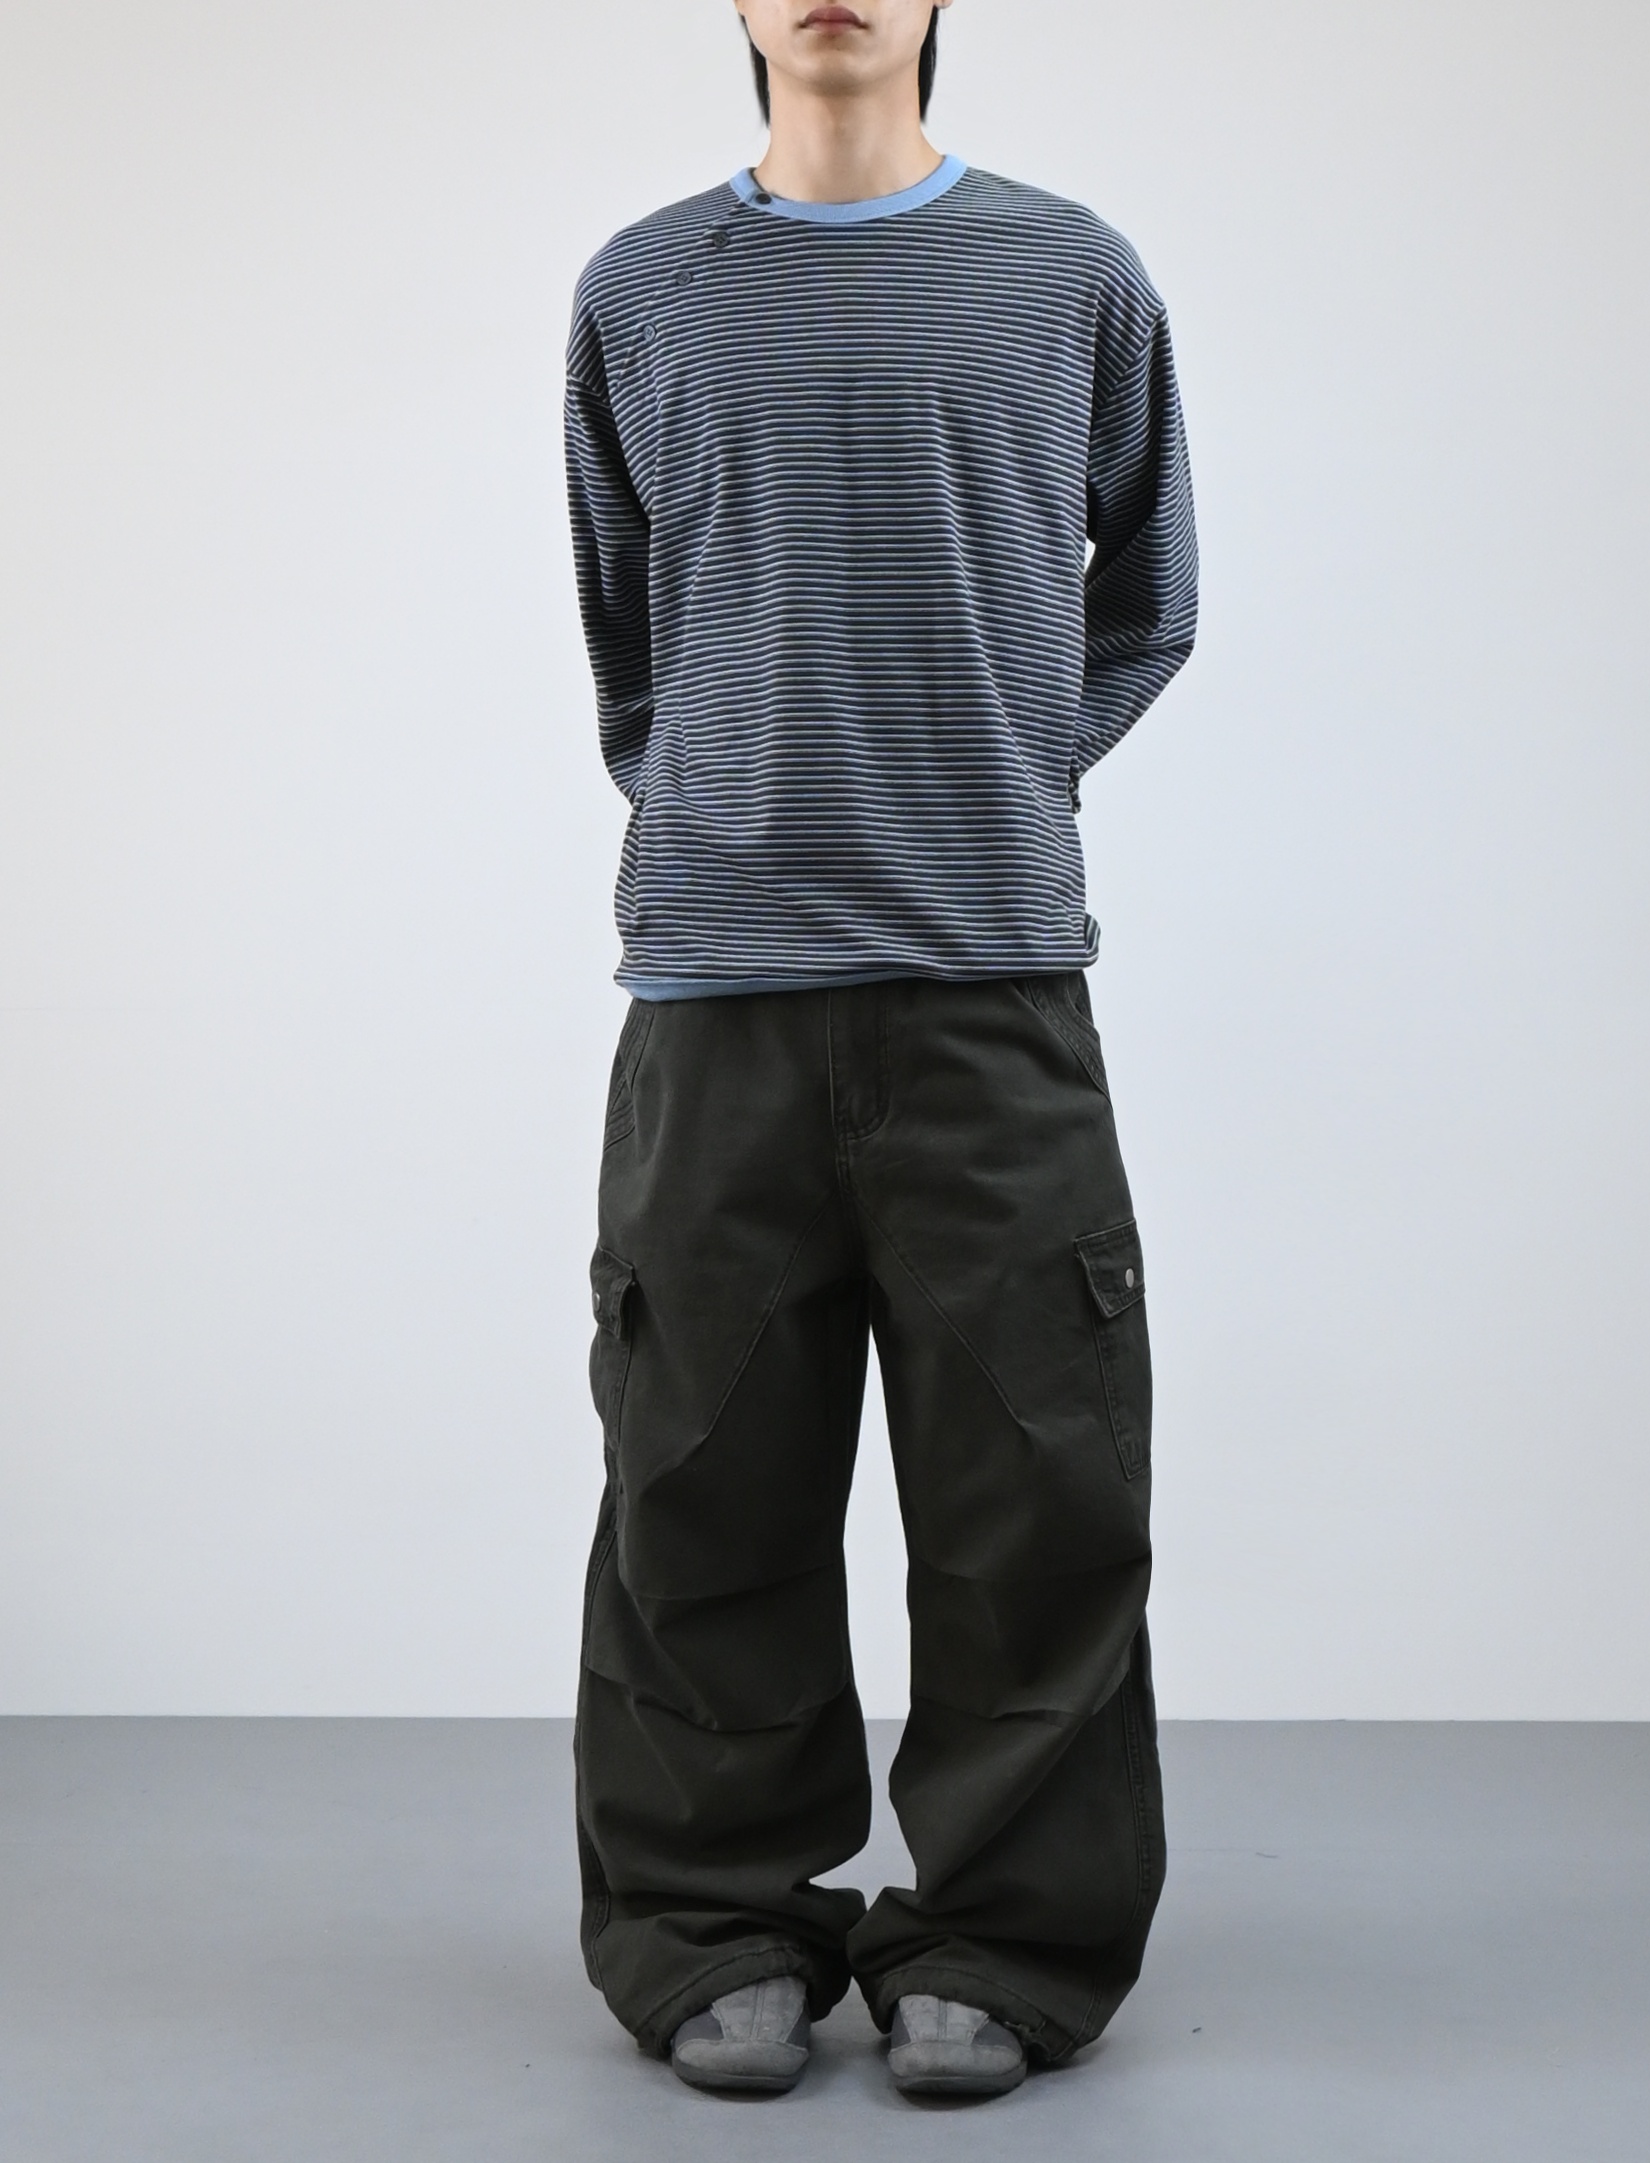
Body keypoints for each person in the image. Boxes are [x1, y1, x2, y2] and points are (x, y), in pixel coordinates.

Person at [562, 0, 1197, 2103]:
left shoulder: (1070, 272)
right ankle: (709, 1919)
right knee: (697, 1474)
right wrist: (739, 805)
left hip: (989, 984)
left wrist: (990, 780)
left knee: (1034, 1479)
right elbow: (629, 631)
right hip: (716, 992)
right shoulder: (642, 289)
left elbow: (1149, 596)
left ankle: (1004, 1936)